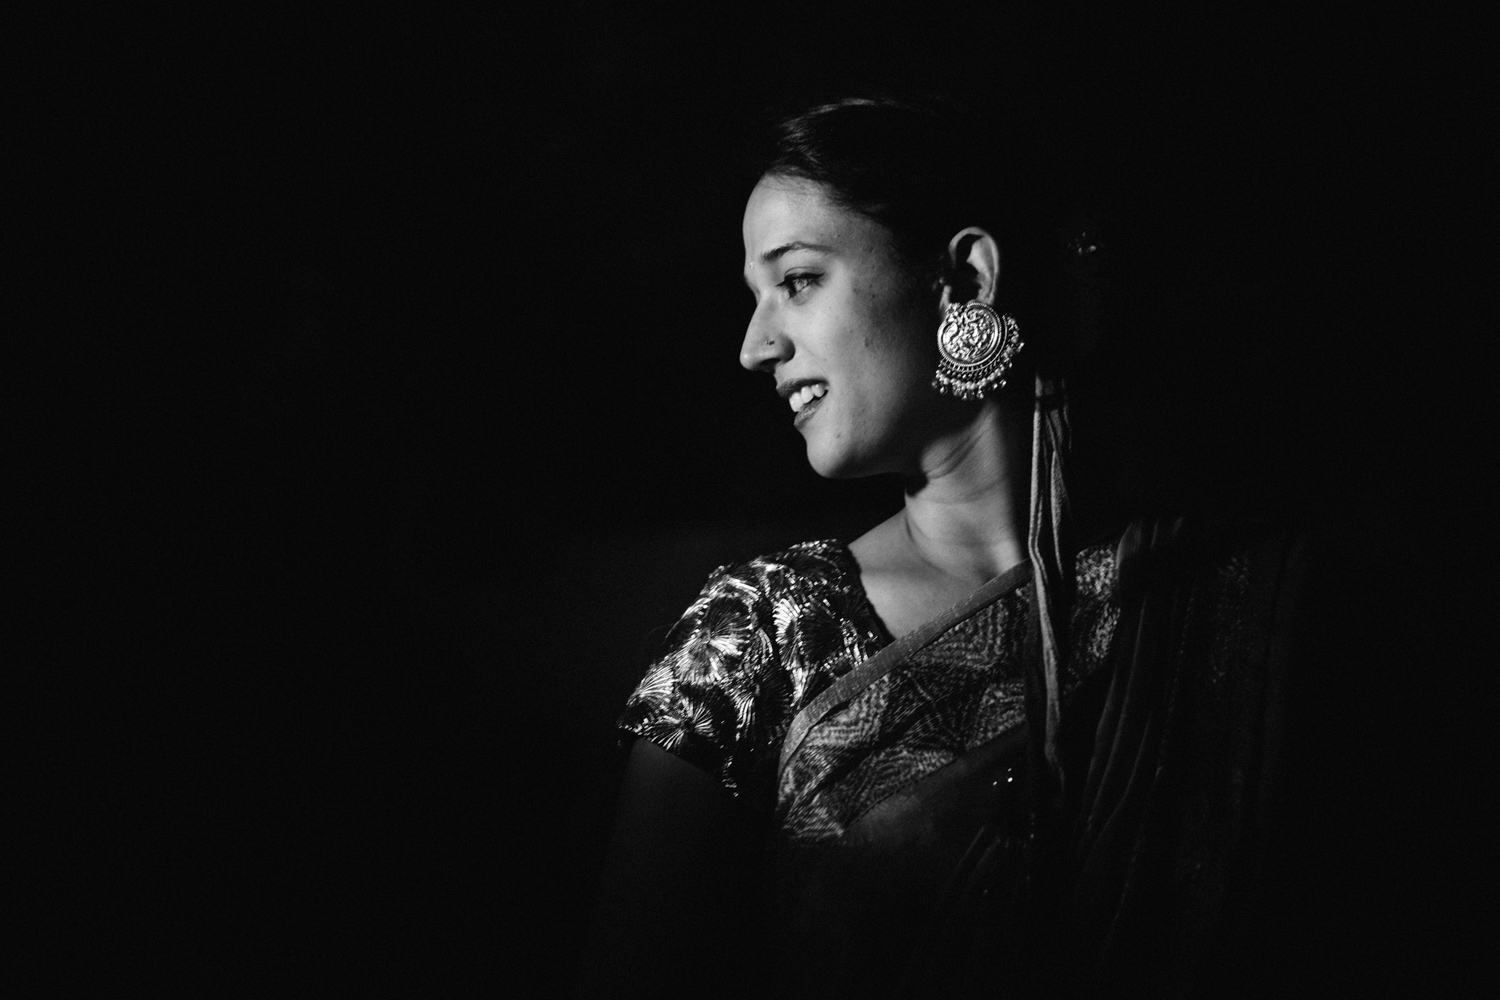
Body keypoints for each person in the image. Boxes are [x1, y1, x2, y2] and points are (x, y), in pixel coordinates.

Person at [576, 97, 1312, 999]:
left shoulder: (1230, 603)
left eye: (797, 280)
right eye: (754, 298)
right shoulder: (761, 638)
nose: (754, 346)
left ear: (964, 279)